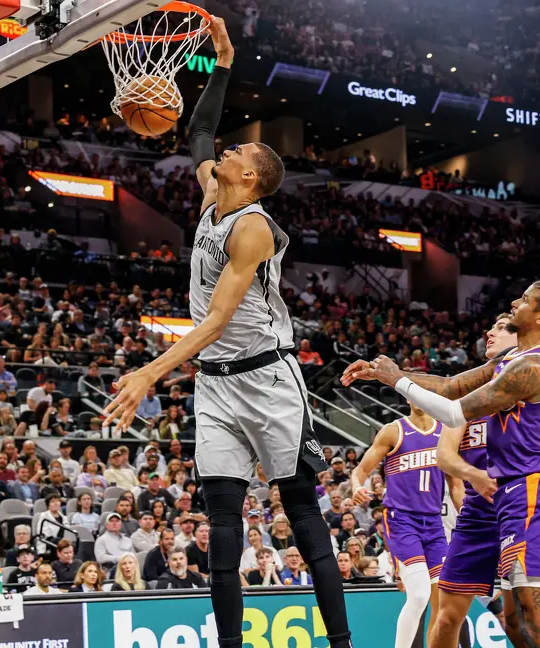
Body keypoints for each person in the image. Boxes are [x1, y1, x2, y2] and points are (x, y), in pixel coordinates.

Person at [101, 17, 352, 648]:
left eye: (238, 155)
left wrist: (149, 371)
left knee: (301, 515)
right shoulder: (214, 190)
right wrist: (220, 61)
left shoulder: (254, 228)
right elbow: (202, 129)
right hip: (215, 386)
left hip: (268, 377)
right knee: (220, 522)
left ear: (253, 178)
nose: (226, 152)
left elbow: (215, 321)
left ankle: (343, 643)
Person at [345, 280, 540, 648]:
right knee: (455, 612)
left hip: (529, 491)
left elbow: (453, 412)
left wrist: (399, 382)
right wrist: (390, 375)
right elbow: (451, 386)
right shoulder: (507, 362)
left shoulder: (534, 366)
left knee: (532, 619)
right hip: (490, 501)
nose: (515, 303)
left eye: (524, 300)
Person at [424, 314, 540, 648]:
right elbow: (444, 454)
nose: (489, 332)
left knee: (517, 621)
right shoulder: (472, 395)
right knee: (447, 615)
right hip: (479, 511)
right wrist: (472, 474)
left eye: (499, 328)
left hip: (526, 503)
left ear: (520, 338)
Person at [349, 404, 464, 647]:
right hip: (402, 520)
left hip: (433, 523)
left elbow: (455, 485)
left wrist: (467, 516)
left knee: (441, 600)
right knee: (419, 594)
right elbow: (360, 470)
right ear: (409, 399)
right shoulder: (394, 431)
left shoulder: (446, 432)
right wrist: (357, 486)